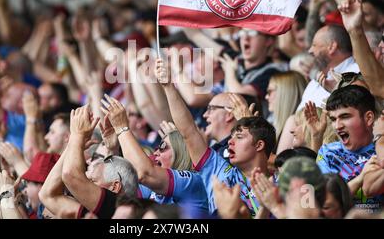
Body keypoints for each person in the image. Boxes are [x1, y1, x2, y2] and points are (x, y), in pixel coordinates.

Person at [156, 56, 275, 218]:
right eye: (231, 136)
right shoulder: (221, 172)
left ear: (259, 145)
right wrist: (169, 87)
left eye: (239, 137)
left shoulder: (281, 184)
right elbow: (188, 131)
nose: (230, 142)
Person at [100, 95, 209, 214]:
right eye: (158, 147)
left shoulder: (192, 181)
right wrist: (112, 150)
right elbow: (118, 188)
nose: (156, 152)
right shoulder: (153, 189)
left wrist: (122, 128)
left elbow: (143, 173)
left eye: (163, 147)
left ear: (182, 151)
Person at [60, 105, 139, 219]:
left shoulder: (115, 208)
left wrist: (77, 136)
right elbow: (46, 195)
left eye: (92, 181)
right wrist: (111, 149)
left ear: (115, 186)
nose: (85, 180)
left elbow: (70, 176)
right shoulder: (110, 205)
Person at [317, 85, 384, 212]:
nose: (337, 126)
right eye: (333, 119)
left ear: (368, 118)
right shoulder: (328, 153)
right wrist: (360, 178)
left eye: (345, 117)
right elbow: (325, 203)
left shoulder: (381, 150)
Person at [298, 25, 359, 109]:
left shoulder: (358, 72)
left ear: (332, 47)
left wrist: (336, 90)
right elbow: (298, 115)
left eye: (314, 45)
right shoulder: (313, 83)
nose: (310, 51)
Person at [265, 71, 307, 143]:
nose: (266, 97)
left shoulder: (293, 123)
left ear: (285, 93)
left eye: (270, 92)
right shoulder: (272, 122)